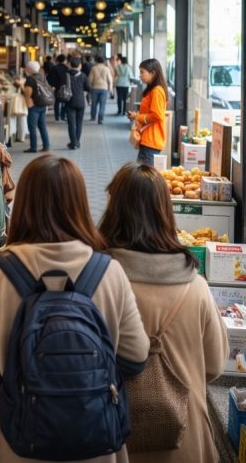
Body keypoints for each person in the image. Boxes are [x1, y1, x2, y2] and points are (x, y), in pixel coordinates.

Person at [0, 155, 149, 463]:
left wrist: (14, 365)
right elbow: (135, 357)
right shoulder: (108, 271)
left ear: (24, 202)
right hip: (93, 438)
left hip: (10, 438)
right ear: (80, 204)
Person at [99, 163, 227, 463]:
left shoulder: (99, 282)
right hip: (185, 439)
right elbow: (215, 365)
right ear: (165, 212)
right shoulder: (196, 287)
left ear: (113, 209)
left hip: (113, 438)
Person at [129, 58, 168, 165]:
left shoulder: (157, 91)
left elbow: (157, 115)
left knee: (145, 179)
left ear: (153, 73)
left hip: (151, 140)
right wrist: (136, 116)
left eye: (142, 72)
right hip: (148, 139)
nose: (140, 75)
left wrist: (137, 117)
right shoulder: (153, 90)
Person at [22, 61, 50, 153]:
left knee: (32, 127)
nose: (26, 69)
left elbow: (27, 93)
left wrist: (28, 103)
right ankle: (46, 146)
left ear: (30, 69)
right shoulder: (42, 77)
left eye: (27, 67)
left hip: (34, 106)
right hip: (43, 104)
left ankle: (33, 147)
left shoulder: (30, 79)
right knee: (42, 126)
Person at [65, 56, 89, 149]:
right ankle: (77, 142)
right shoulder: (83, 75)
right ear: (80, 65)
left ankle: (73, 143)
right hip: (80, 102)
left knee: (71, 123)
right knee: (79, 123)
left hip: (69, 101)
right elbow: (88, 87)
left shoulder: (66, 74)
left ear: (70, 65)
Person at [89, 55, 114, 124]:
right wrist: (111, 90)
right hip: (104, 89)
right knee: (102, 104)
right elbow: (110, 80)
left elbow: (90, 79)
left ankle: (93, 117)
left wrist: (89, 87)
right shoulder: (106, 69)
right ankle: (100, 119)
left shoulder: (93, 68)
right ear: (104, 61)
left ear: (96, 61)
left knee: (94, 104)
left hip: (95, 88)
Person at [50, 54, 68, 122]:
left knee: (57, 102)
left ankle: (57, 116)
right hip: (64, 87)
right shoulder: (66, 68)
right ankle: (63, 116)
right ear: (64, 60)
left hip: (57, 87)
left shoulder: (55, 68)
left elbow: (52, 78)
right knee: (64, 102)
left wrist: (52, 85)